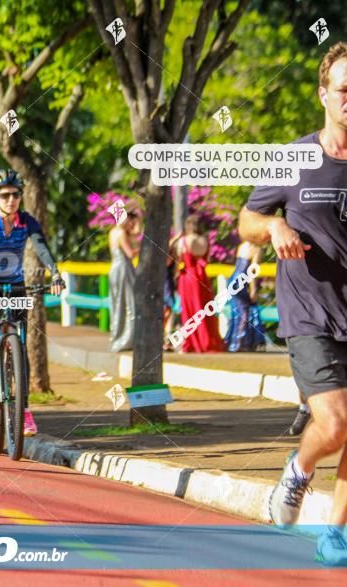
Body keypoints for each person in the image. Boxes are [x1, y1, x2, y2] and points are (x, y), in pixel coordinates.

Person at [238, 42, 347, 565]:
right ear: (323, 94)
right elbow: (247, 221)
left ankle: (338, 532)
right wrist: (276, 224)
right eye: (345, 90)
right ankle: (299, 471)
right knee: (336, 422)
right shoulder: (295, 158)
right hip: (310, 314)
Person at [0, 169, 65, 437]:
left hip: (16, 281)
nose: (11, 200)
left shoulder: (27, 221)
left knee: (20, 343)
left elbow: (41, 247)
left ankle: (23, 411)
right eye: (5, 195)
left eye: (16, 195)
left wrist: (54, 273)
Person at [173, 215, 225, 353]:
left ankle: (192, 342)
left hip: (188, 278)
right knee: (204, 309)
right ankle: (207, 340)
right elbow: (206, 259)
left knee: (190, 310)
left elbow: (178, 259)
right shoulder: (205, 240)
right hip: (202, 276)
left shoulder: (184, 241)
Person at [223, 241, 265, 352]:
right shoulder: (257, 249)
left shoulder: (243, 245)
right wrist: (253, 289)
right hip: (240, 282)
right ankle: (238, 344)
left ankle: (233, 342)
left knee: (237, 311)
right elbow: (252, 272)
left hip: (233, 279)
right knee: (244, 312)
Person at [108, 211, 140, 352]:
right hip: (123, 269)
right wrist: (143, 248)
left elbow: (135, 233)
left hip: (115, 268)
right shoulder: (121, 233)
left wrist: (138, 226)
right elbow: (130, 254)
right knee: (129, 302)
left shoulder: (113, 232)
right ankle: (126, 339)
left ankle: (117, 336)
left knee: (117, 303)